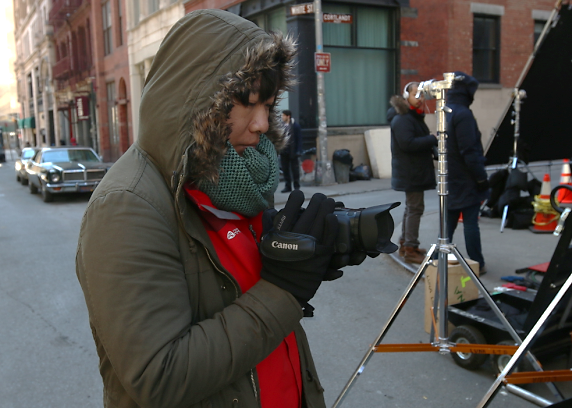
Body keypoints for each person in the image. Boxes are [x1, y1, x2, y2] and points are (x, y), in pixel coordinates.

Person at [75, 10, 357, 408]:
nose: (262, 124)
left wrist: (309, 255)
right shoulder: (126, 206)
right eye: (248, 104)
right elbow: (160, 376)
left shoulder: (237, 177)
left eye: (269, 105)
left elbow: (243, 289)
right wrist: (284, 291)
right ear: (198, 100)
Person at [387, 82, 437, 264]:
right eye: (416, 94)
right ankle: (409, 247)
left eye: (422, 95)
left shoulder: (411, 116)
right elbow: (407, 143)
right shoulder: (403, 118)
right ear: (406, 96)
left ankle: (407, 244)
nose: (420, 99)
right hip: (412, 171)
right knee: (415, 208)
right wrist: (432, 139)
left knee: (412, 208)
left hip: (414, 170)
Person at [445, 72, 489, 275]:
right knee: (471, 222)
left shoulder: (445, 111)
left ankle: (439, 260)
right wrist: (480, 178)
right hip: (465, 177)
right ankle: (477, 263)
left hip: (450, 175)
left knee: (448, 223)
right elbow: (469, 150)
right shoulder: (463, 114)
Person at [280, 109, 303, 193]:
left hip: (293, 150)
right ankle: (288, 186)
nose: (282, 117)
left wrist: (298, 151)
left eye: (283, 116)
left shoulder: (295, 126)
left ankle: (296, 186)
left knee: (295, 170)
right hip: (284, 151)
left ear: (288, 116)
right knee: (285, 169)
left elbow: (299, 139)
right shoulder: (281, 126)